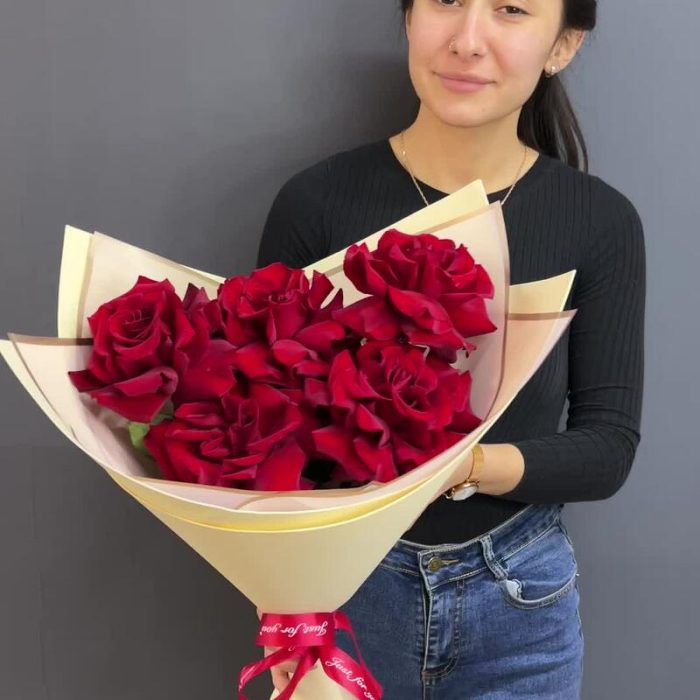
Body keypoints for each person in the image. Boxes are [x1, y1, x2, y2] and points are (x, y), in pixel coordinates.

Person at [255, 0, 645, 697]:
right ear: (409, 17)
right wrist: (284, 607)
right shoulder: (316, 203)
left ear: (562, 45)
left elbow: (606, 448)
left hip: (519, 604)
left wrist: (459, 466)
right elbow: (263, 431)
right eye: (445, 1)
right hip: (344, 594)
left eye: (511, 10)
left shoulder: (599, 221)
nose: (467, 40)